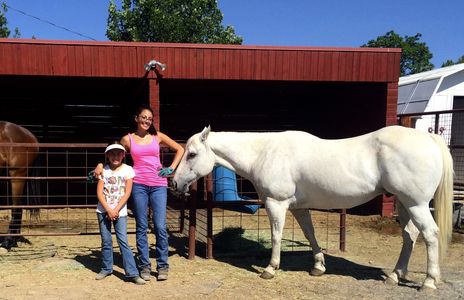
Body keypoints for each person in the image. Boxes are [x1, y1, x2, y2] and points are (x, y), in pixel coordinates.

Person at [94, 104, 185, 281]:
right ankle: (144, 266)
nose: (146, 121)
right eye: (143, 117)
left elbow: (180, 149)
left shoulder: (157, 137)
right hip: (139, 185)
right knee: (141, 226)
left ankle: (162, 265)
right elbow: (114, 153)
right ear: (136, 118)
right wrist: (100, 165)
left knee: (159, 226)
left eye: (149, 119)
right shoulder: (128, 139)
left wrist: (171, 168)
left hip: (158, 184)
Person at [95, 141, 145, 285]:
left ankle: (132, 273)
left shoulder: (128, 170)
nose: (115, 156)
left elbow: (127, 192)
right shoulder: (103, 170)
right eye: (112, 153)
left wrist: (116, 209)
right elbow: (99, 193)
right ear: (107, 155)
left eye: (119, 153)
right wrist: (108, 209)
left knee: (123, 241)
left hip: (120, 211)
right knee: (106, 241)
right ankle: (106, 268)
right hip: (103, 210)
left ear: (123, 155)